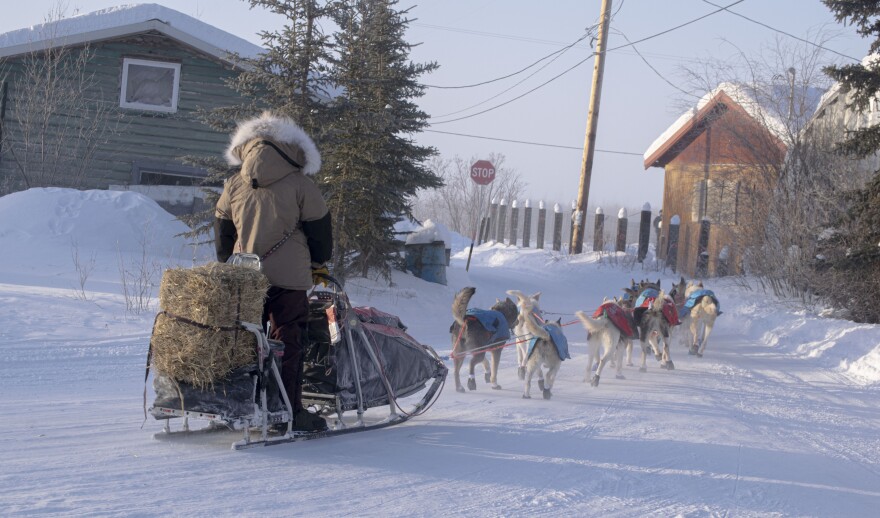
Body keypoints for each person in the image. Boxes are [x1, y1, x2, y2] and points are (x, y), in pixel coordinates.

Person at [214, 111, 333, 433]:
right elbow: (321, 236)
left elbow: (223, 232)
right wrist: (318, 263)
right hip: (288, 278)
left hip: (244, 277)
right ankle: (288, 411)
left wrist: (231, 265)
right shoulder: (301, 184)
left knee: (243, 341)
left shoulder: (234, 183)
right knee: (288, 340)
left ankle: (241, 402)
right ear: (293, 147)